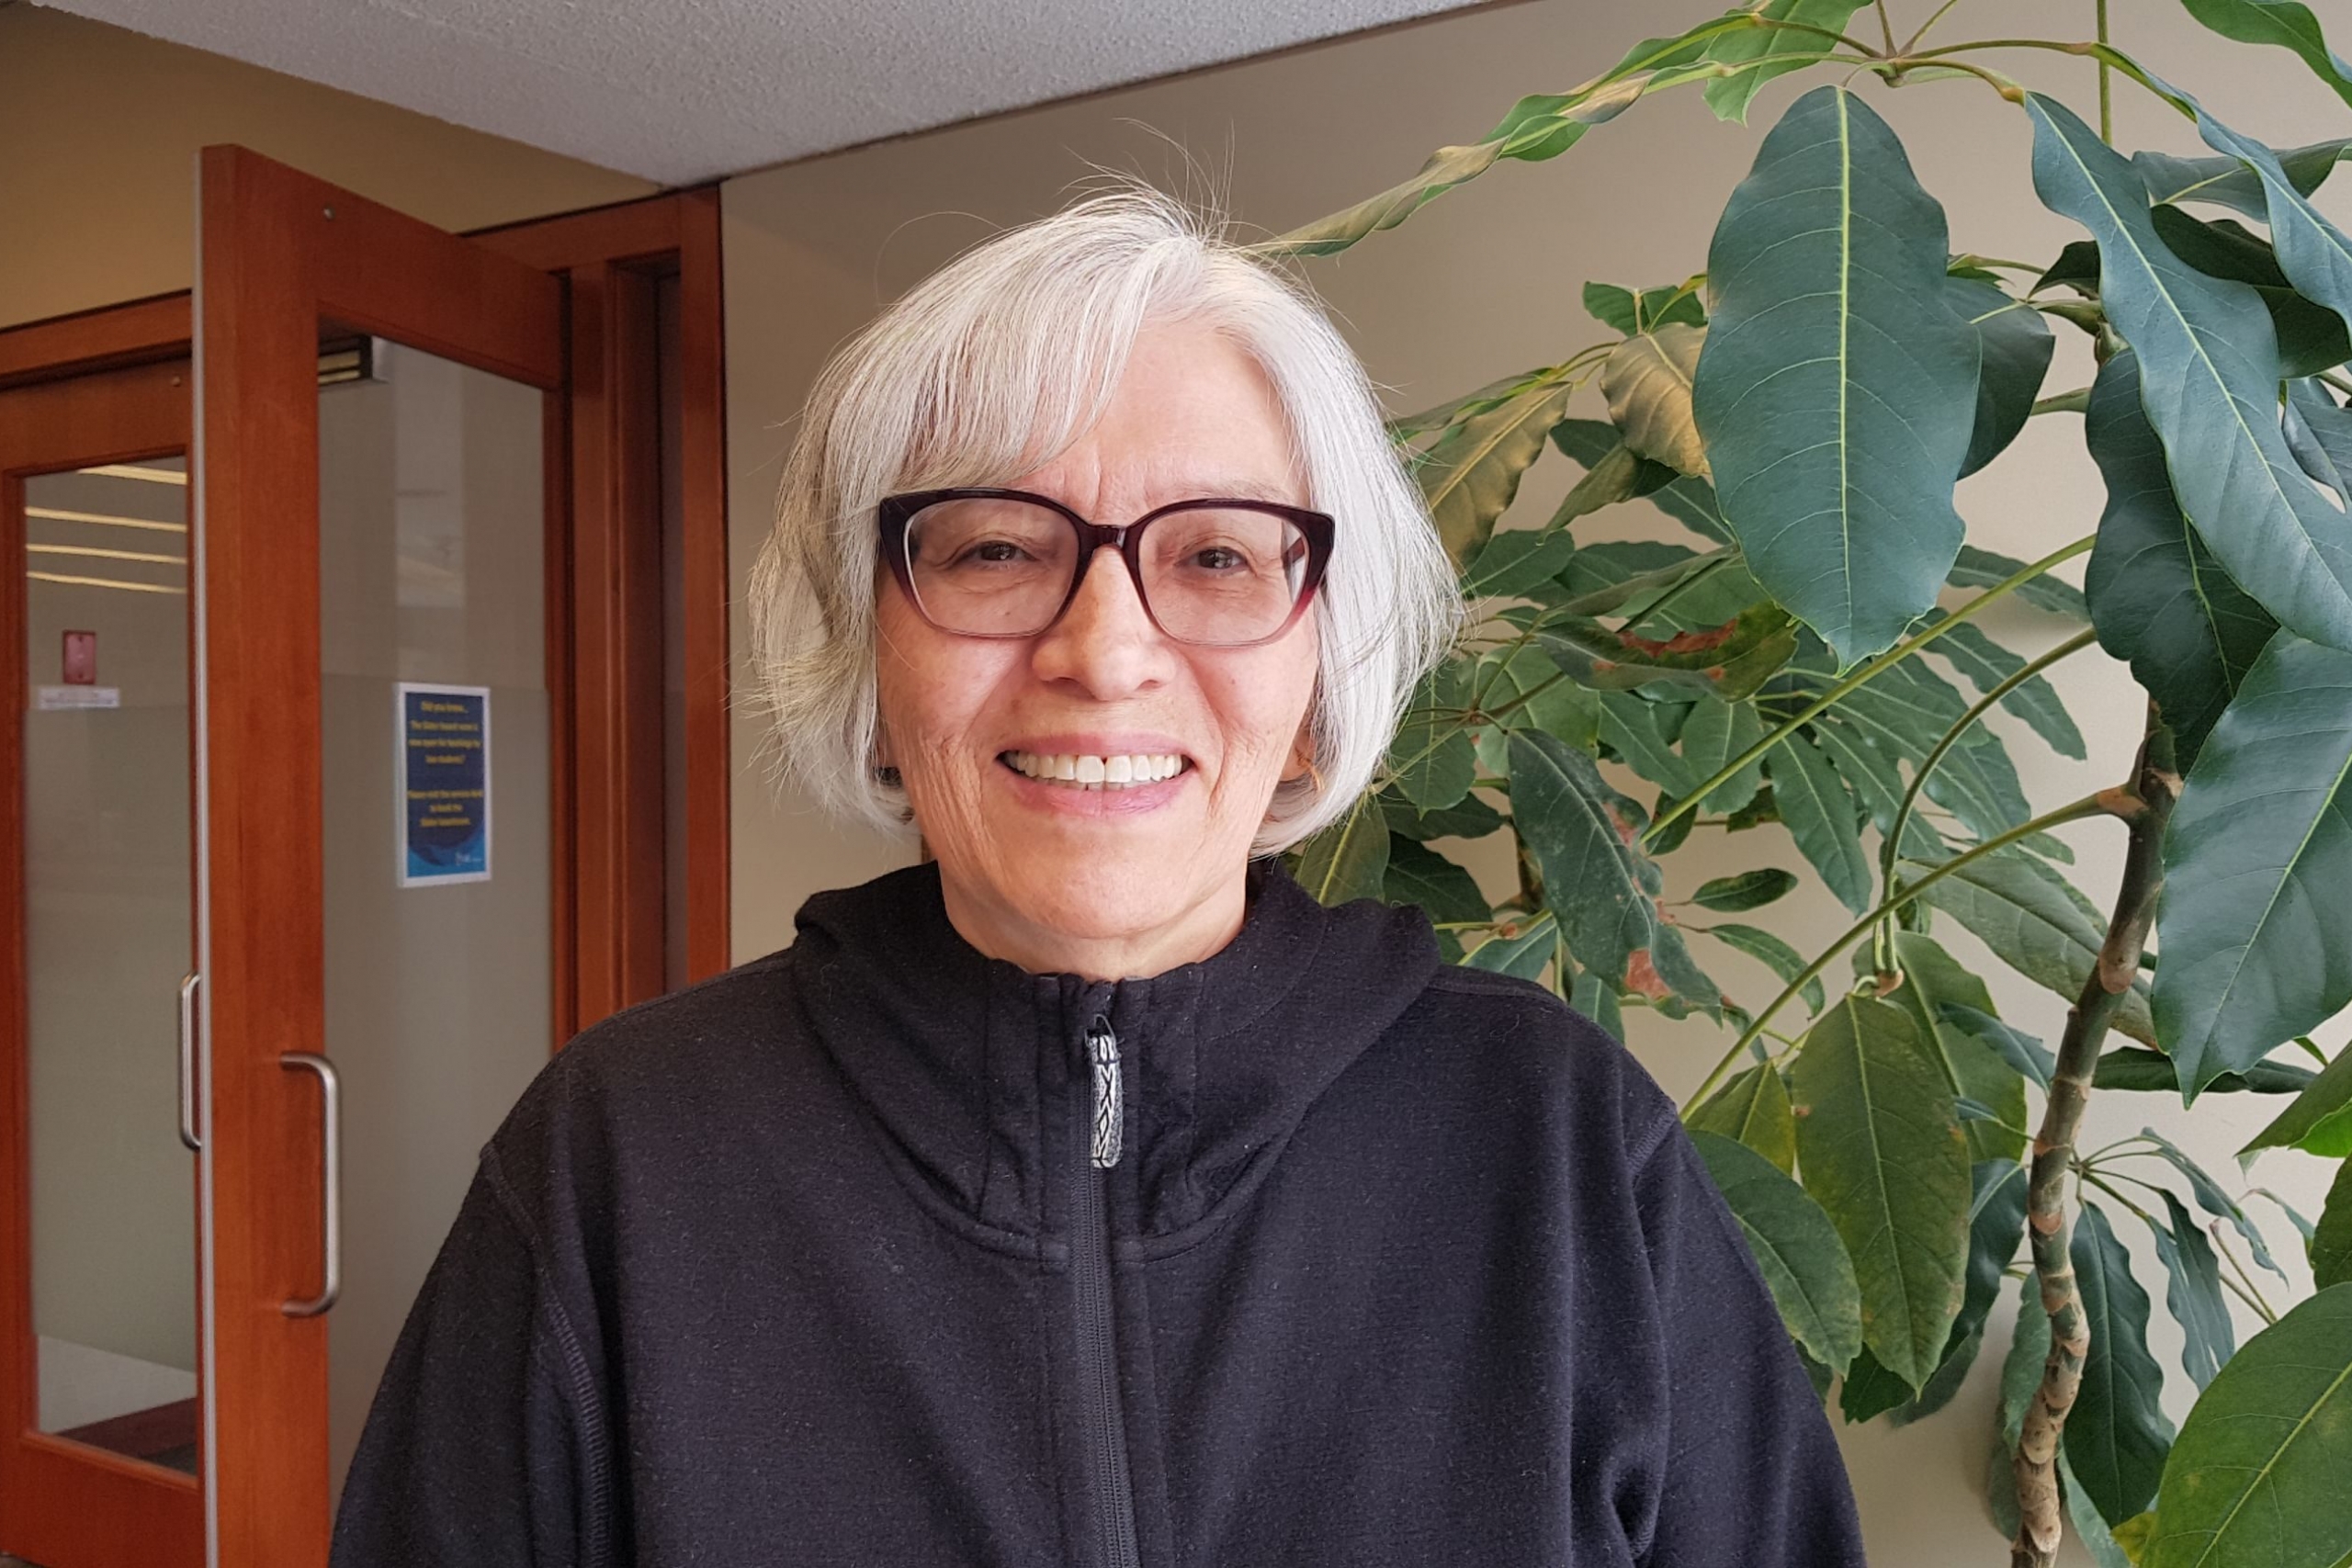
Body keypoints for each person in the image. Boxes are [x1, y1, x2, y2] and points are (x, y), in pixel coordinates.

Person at [329, 186, 1868, 1567]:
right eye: (996, 548)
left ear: (1324, 658)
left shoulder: (1560, 1148)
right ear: (868, 642)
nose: (1105, 652)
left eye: (1215, 556)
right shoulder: (624, 1160)